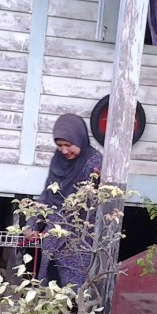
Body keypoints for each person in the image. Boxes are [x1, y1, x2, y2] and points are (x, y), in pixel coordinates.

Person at [26, 113, 103, 289]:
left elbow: (90, 203)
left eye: (68, 145)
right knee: (51, 286)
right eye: (59, 145)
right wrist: (33, 224)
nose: (64, 151)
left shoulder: (93, 162)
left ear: (79, 138)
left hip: (78, 239)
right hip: (53, 238)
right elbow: (47, 195)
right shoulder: (58, 160)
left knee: (75, 289)